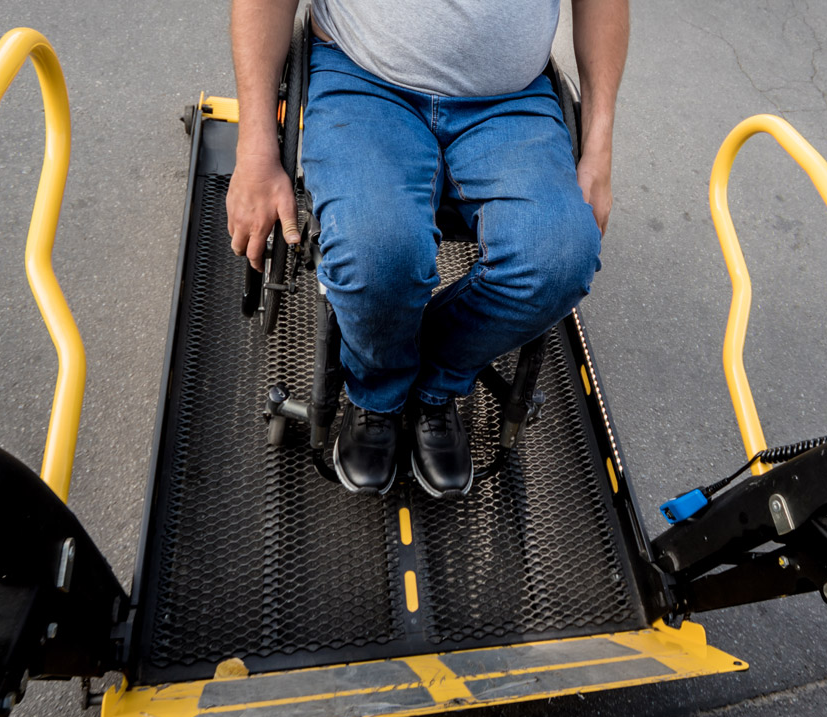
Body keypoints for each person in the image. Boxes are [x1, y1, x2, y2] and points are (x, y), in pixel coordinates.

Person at [227, 0, 629, 498]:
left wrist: (599, 148)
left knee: (560, 259)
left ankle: (432, 382)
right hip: (363, 78)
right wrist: (256, 152)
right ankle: (378, 394)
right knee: (378, 257)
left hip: (511, 101)